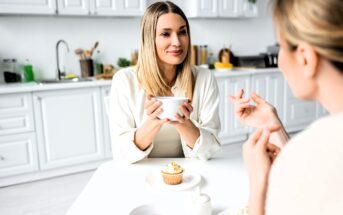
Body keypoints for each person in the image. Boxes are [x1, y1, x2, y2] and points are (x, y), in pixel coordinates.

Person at [229, 0, 343, 214]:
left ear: (306, 58)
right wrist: (272, 124)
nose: (280, 61)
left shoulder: (312, 150)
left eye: (280, 46)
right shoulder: (316, 150)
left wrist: (258, 184)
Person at [109, 1, 221, 164]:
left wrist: (184, 123)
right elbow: (121, 153)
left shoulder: (204, 78)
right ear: (149, 39)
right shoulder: (125, 81)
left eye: (182, 32)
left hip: (190, 173)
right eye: (166, 34)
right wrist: (153, 123)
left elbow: (211, 147)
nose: (177, 42)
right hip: (142, 175)